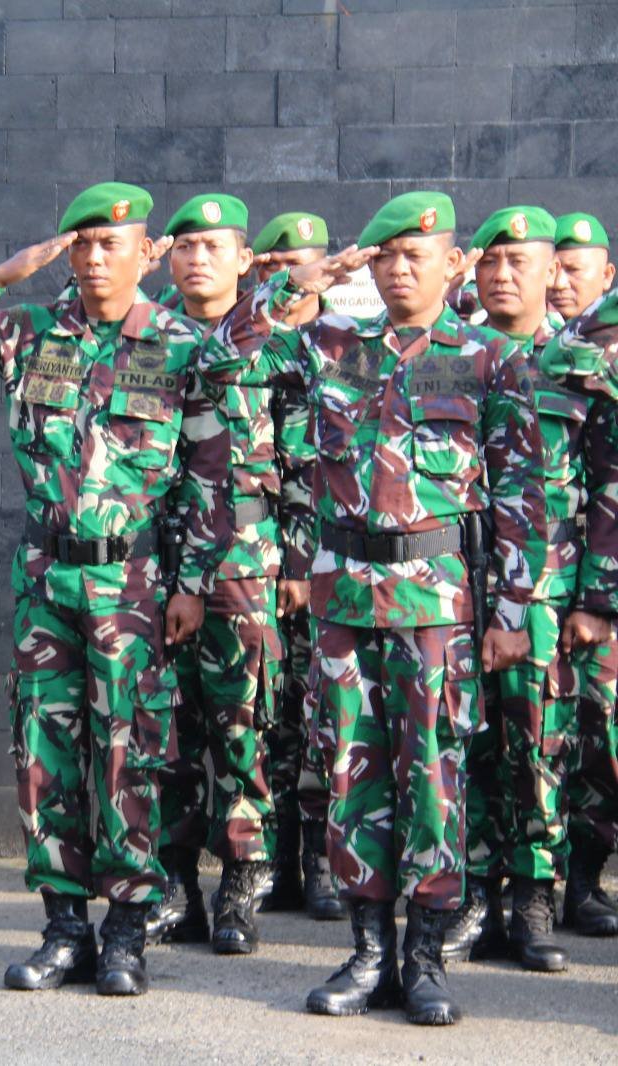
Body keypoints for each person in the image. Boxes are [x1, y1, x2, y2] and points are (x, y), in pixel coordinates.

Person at [204, 190, 547, 1026]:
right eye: (385, 255)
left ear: (451, 264)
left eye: (414, 256)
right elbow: (222, 354)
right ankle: (367, 953)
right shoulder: (332, 344)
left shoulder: (488, 359)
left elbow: (521, 494)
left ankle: (424, 958)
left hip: (435, 608)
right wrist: (305, 282)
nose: (398, 270)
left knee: (432, 778)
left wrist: (513, 610)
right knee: (351, 775)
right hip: (345, 604)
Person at [0, 181, 231, 997]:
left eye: (109, 243)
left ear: (145, 253)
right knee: (44, 750)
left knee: (130, 751)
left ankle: (126, 931)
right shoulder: (28, 332)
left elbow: (209, 473)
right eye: (80, 243)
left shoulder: (182, 347)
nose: (92, 257)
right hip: (45, 577)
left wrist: (192, 583)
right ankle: (63, 927)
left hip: (131, 581)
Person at [144, 193, 280, 955]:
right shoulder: (145, 336)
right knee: (165, 727)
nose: (197, 259)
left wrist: (299, 561)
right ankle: (174, 885)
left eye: (213, 246)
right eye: (184, 246)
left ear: (243, 259)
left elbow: (305, 453)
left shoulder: (275, 340)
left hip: (243, 563)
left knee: (240, 726)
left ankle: (240, 883)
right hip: (155, 558)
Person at [441, 207, 575, 973]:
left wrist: (593, 598)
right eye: (489, 261)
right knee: (465, 740)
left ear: (552, 270)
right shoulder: (451, 356)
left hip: (547, 590)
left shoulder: (578, 362)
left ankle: (532, 897)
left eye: (519, 261)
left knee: (536, 743)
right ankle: (471, 895)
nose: (501, 275)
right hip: (457, 582)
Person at [244, 212, 344, 923]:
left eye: (306, 264)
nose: (296, 278)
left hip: (334, 565)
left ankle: (321, 861)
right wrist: (282, 564)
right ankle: (278, 861)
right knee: (272, 715)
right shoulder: (255, 348)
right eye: (281, 268)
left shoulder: (349, 345)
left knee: (324, 716)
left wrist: (308, 566)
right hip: (265, 561)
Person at [546, 211, 618, 937]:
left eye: (576, 269)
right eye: (555, 268)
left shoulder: (606, 356)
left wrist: (599, 599)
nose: (561, 281)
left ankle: (585, 880)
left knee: (597, 734)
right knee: (539, 736)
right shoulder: (531, 353)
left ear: (608, 275)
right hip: (535, 583)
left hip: (598, 589)